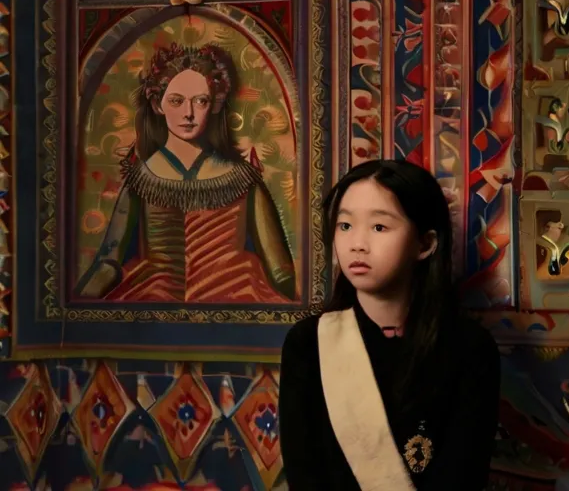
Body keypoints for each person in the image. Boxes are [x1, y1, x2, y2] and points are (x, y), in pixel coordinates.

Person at [279, 159, 501, 490]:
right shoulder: (309, 344)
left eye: (379, 227)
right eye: (345, 226)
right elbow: (305, 474)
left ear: (424, 244)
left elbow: (463, 476)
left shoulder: (470, 348)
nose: (356, 243)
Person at [74, 43, 296, 303]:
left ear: (215, 105)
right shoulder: (141, 179)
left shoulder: (244, 179)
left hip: (235, 297)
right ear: (158, 104)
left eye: (200, 101)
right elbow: (108, 262)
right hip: (151, 300)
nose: (188, 113)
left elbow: (280, 271)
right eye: (177, 101)